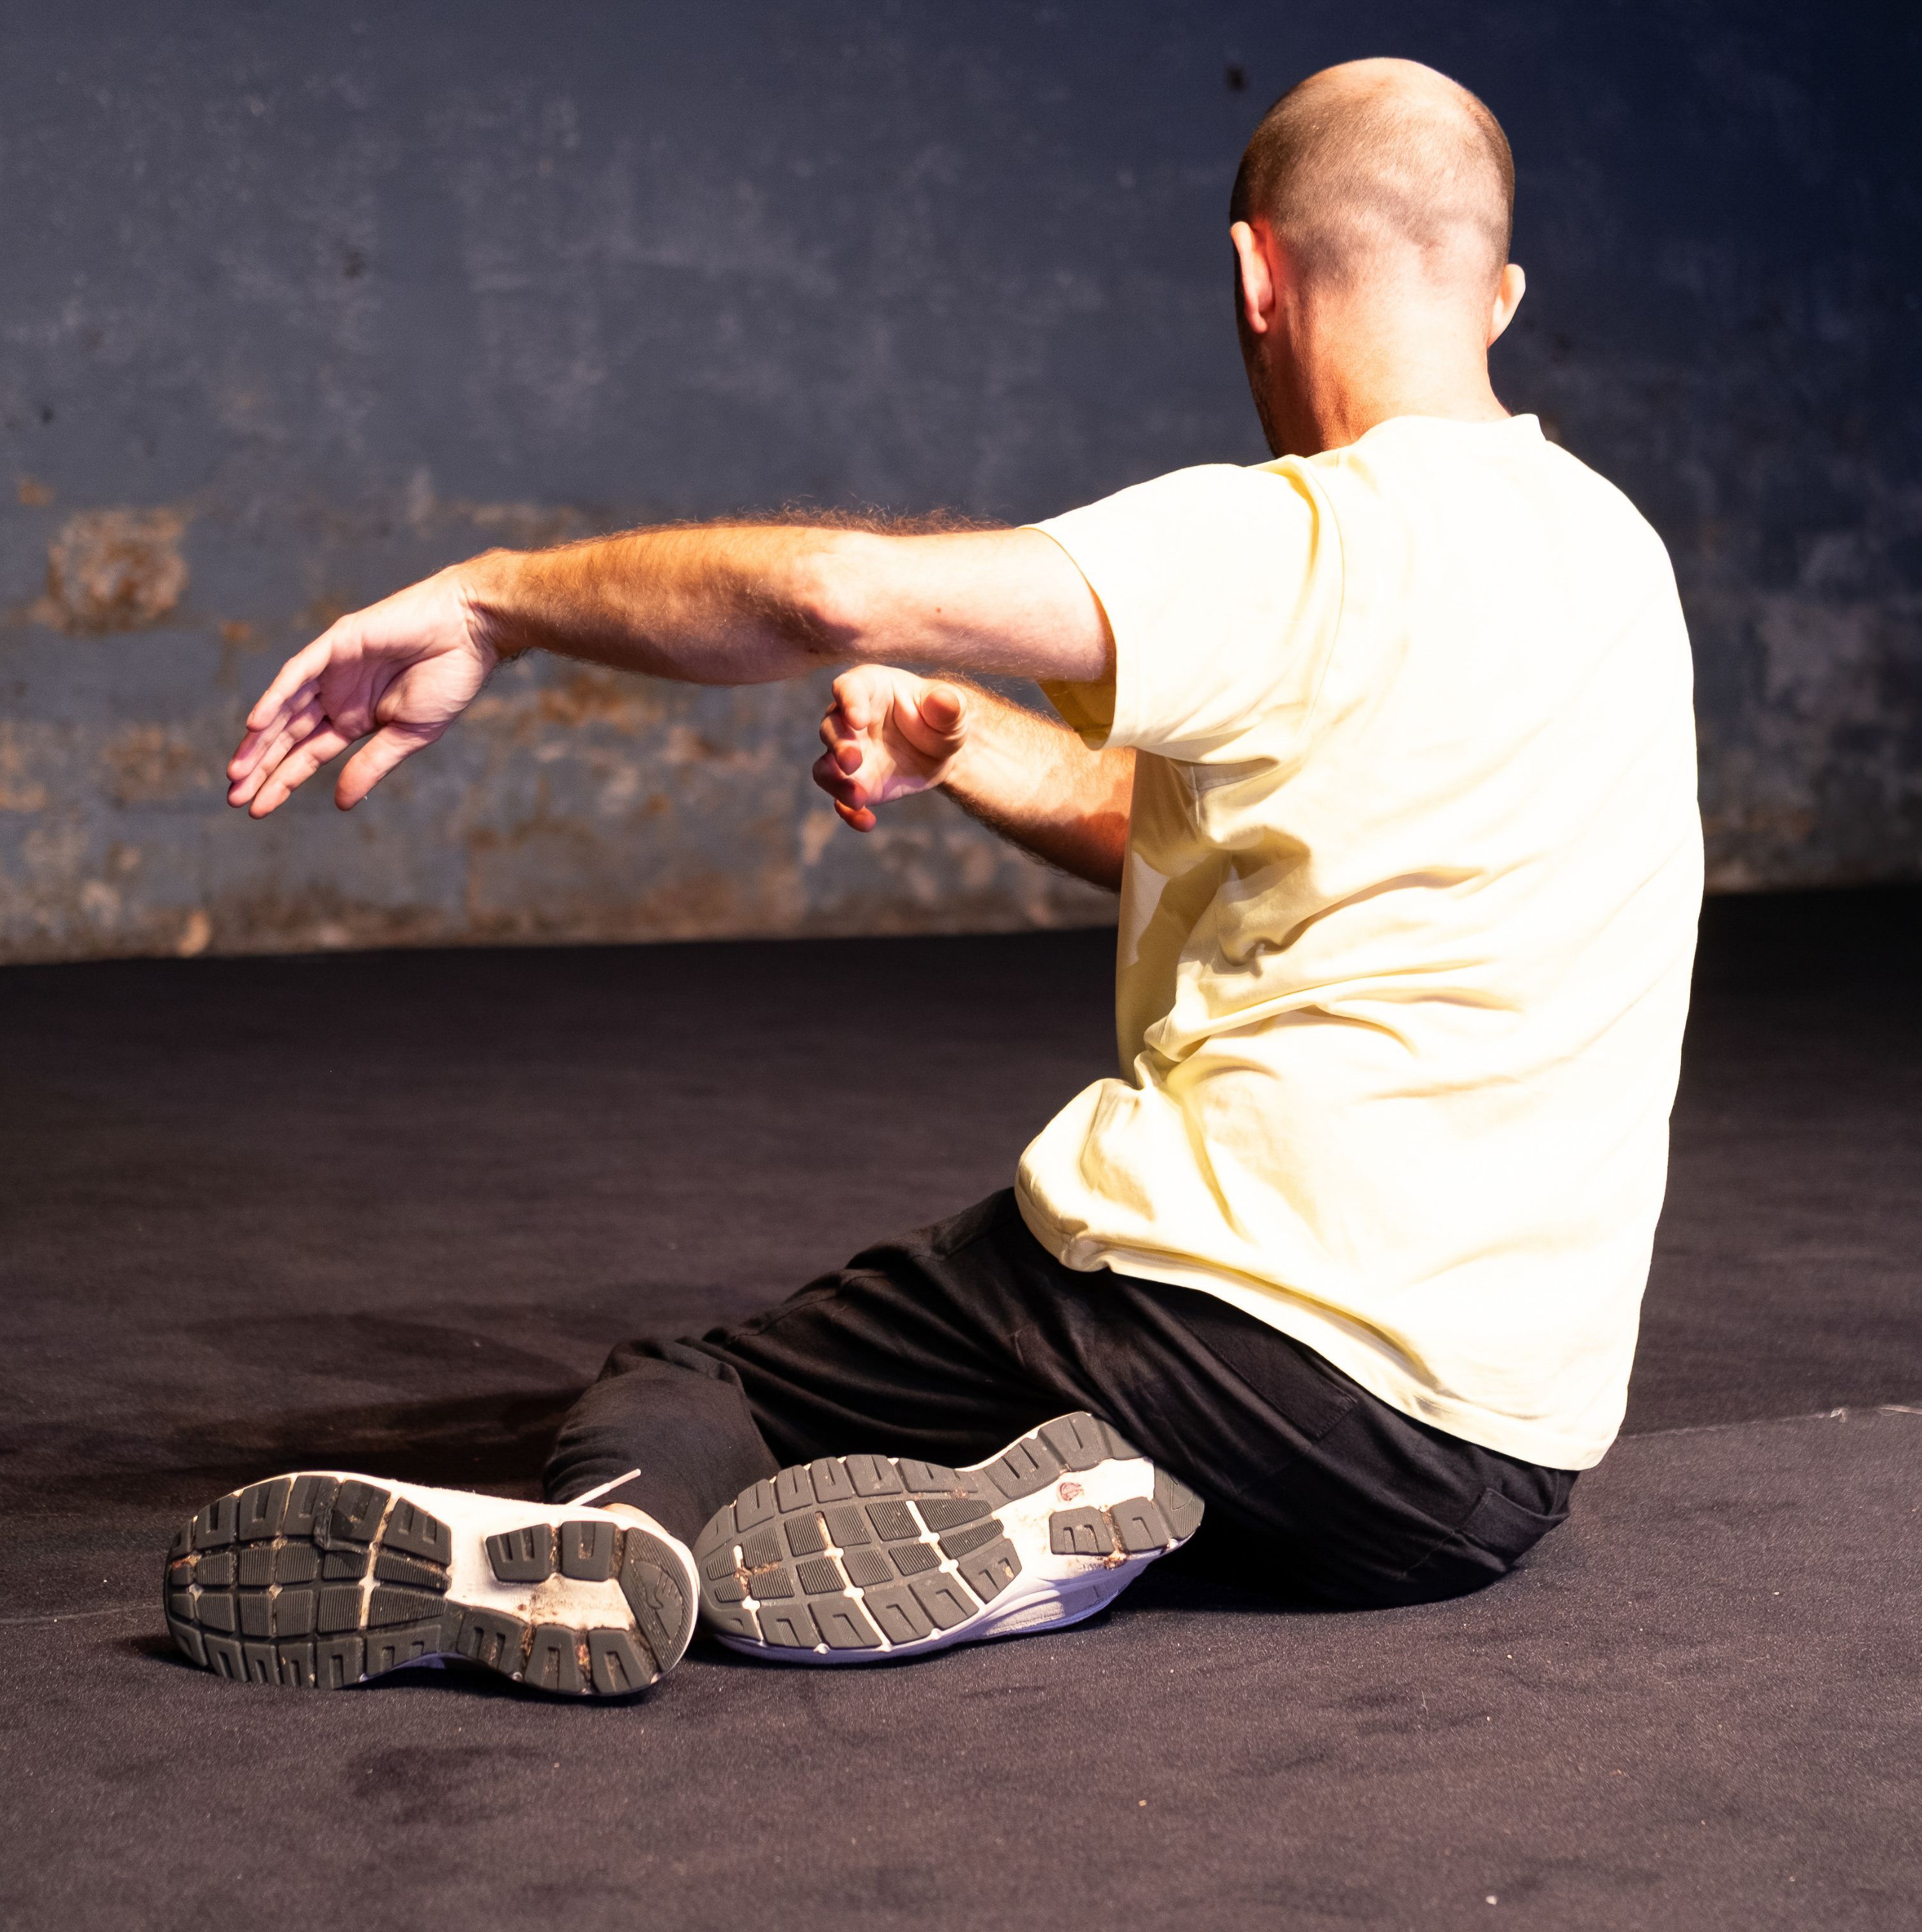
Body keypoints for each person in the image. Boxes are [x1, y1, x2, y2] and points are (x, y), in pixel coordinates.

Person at [162, 56, 1702, 1697]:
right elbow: (1247, 824)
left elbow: (833, 594)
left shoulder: (1292, 536)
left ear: (1256, 273)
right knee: (1225, 1455)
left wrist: (494, 602)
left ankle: (612, 1542)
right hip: (1480, 1470)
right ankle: (1094, 1519)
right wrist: (967, 749)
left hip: (1224, 1331)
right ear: (1502, 297)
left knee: (696, 1382)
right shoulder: (1615, 556)